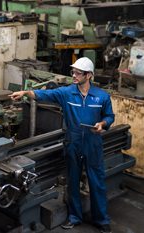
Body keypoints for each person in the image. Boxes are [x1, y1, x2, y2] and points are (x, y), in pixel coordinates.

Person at [9, 57, 114, 233]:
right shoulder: (66, 93)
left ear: (88, 75)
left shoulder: (102, 96)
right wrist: (25, 93)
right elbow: (43, 94)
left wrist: (103, 124)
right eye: (73, 72)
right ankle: (74, 217)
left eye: (78, 73)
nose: (73, 75)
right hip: (73, 143)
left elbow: (109, 116)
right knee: (72, 182)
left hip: (92, 144)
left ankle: (101, 220)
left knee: (97, 182)